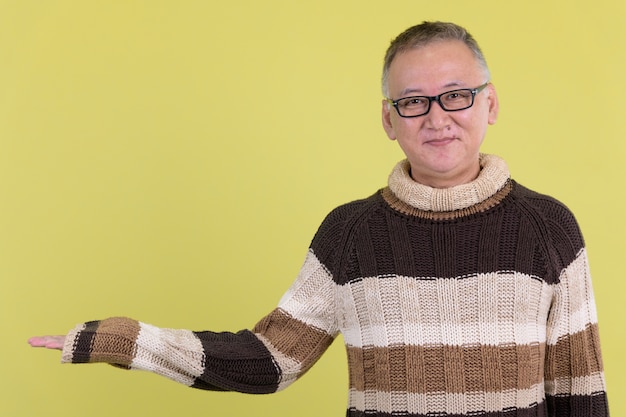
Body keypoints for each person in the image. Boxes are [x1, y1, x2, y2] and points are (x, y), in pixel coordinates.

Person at [29, 21, 609, 417]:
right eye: (413, 101)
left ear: (491, 104)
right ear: (389, 119)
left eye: (456, 95)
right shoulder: (350, 235)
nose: (436, 117)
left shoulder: (549, 228)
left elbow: (580, 393)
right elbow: (271, 359)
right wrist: (130, 342)